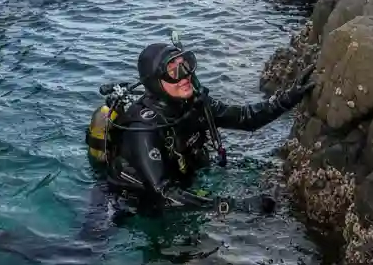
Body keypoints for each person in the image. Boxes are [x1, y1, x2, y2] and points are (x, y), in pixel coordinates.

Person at [87, 40, 315, 214]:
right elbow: (163, 194)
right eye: (173, 70)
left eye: (185, 65)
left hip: (185, 182)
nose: (185, 75)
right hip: (134, 203)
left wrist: (288, 98)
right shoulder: (144, 128)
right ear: (155, 80)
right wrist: (233, 206)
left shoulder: (195, 105)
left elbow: (247, 118)